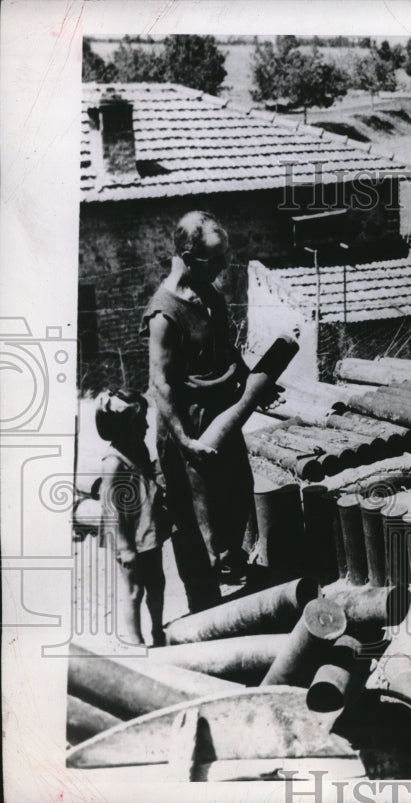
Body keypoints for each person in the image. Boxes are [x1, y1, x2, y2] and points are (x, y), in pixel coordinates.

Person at [142, 211, 258, 611]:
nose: (225, 266)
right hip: (186, 425)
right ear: (188, 258)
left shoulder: (209, 294)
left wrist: (250, 379)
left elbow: (225, 348)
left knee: (240, 491)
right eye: (217, 259)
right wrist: (185, 441)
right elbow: (161, 384)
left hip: (222, 416)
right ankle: (204, 609)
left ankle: (229, 576)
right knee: (194, 522)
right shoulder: (164, 313)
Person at [96, 389, 168, 646]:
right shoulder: (113, 463)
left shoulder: (137, 447)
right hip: (126, 534)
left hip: (147, 528)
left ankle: (158, 630)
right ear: (122, 427)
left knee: (157, 583)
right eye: (140, 422)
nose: (147, 425)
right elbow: (112, 509)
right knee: (134, 590)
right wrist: (125, 548)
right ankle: (136, 641)